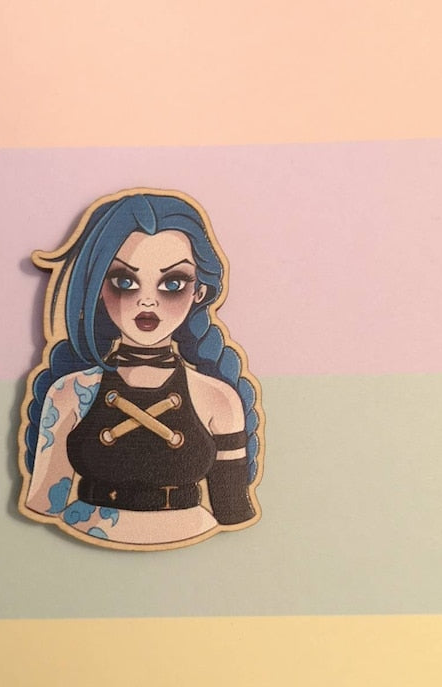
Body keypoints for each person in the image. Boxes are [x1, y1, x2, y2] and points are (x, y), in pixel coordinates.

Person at [18, 188, 263, 550]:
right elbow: (43, 506)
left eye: (173, 284)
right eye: (124, 281)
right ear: (98, 288)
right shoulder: (69, 392)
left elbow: (233, 510)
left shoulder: (219, 399)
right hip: (78, 541)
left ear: (199, 291)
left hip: (197, 544)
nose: (147, 301)